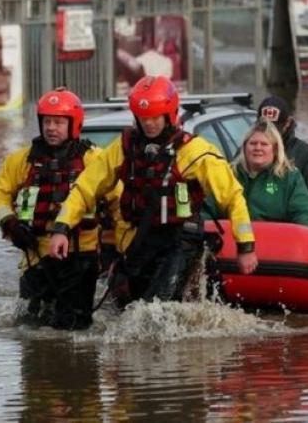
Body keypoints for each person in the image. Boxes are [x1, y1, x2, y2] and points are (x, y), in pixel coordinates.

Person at [49, 75, 257, 308]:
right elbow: (86, 188)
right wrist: (61, 228)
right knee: (131, 307)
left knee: (156, 308)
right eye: (143, 118)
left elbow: (233, 198)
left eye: (155, 117)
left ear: (170, 115)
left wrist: (245, 246)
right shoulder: (124, 148)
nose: (148, 123)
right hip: (140, 241)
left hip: (180, 240)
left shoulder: (196, 151)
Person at [0, 87, 120, 330]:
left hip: (82, 256)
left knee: (73, 328)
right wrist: (10, 223)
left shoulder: (95, 160)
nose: (51, 128)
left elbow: (118, 202)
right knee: (30, 327)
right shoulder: (21, 161)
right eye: (47, 121)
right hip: (35, 255)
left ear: (74, 124)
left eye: (58, 122)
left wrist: (120, 247)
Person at [207, 121, 308, 227]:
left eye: (264, 144)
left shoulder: (290, 177)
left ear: (275, 149)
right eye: (253, 143)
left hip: (276, 242)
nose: (258, 148)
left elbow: (304, 216)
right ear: (244, 147)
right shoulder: (228, 174)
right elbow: (207, 210)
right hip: (233, 240)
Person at [257, 95, 308, 222]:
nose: (269, 133)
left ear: (288, 123)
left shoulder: (307, 154)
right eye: (264, 128)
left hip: (291, 226)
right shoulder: (246, 153)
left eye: (274, 129)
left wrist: (281, 209)